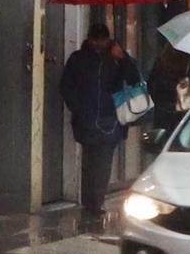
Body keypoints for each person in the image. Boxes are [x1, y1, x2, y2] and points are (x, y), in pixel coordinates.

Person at [59, 19, 143, 223]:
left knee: (103, 162)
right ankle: (90, 201)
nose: (99, 45)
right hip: (86, 119)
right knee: (89, 160)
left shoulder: (115, 58)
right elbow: (66, 86)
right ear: (90, 40)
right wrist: (77, 107)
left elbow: (134, 78)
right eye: (96, 41)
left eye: (102, 42)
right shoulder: (78, 59)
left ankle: (96, 202)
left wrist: (122, 58)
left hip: (110, 119)